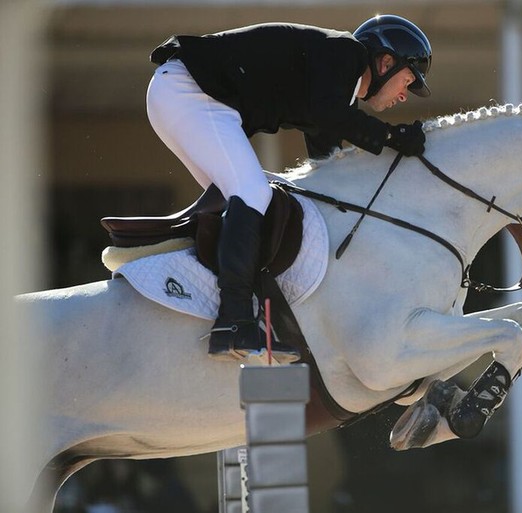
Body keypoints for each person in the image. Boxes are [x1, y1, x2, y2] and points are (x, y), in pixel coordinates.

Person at [146, 15, 432, 362]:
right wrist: (392, 136)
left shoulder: (334, 85)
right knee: (253, 194)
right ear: (386, 62)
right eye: (408, 80)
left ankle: (223, 308)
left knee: (241, 206)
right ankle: (234, 322)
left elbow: (330, 164)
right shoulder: (344, 53)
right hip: (190, 93)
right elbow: (331, 117)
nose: (405, 95)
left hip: (182, 95)